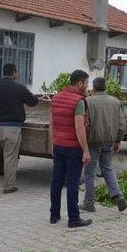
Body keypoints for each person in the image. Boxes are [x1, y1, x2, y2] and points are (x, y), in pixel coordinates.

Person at [0, 63, 38, 195]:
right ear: (14, 72)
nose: (17, 74)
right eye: (17, 72)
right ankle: (9, 186)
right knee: (10, 158)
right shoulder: (19, 87)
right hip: (12, 128)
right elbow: (33, 102)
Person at [49, 70, 92, 228]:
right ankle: (74, 219)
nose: (88, 86)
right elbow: (80, 128)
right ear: (79, 83)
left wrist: (52, 143)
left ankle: (54, 214)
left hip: (58, 145)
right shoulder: (79, 101)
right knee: (73, 183)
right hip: (73, 148)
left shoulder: (56, 97)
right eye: (86, 83)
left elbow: (52, 123)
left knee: (56, 181)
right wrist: (86, 150)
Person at [80, 76, 127, 213]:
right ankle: (118, 195)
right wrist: (118, 140)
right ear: (105, 87)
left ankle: (89, 203)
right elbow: (122, 125)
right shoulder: (115, 102)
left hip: (92, 142)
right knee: (107, 169)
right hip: (109, 142)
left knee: (89, 173)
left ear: (93, 88)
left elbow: (85, 124)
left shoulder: (87, 102)